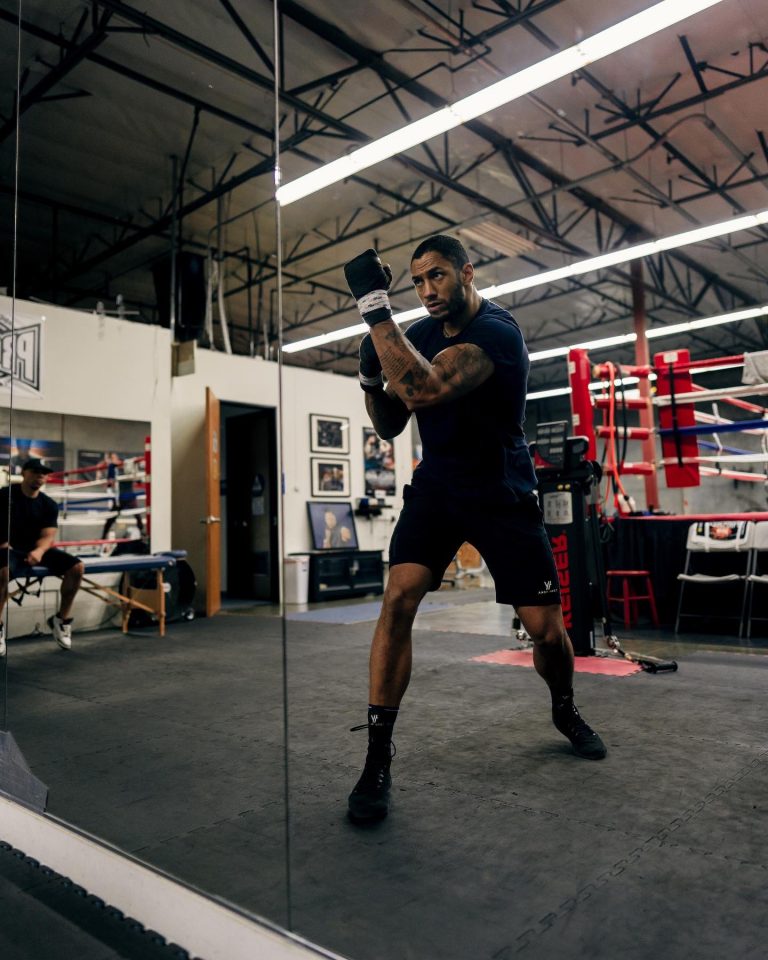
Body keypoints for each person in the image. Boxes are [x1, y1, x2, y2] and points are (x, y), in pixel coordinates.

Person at [343, 236, 607, 823]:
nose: (428, 291)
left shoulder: (498, 333)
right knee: (398, 597)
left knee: (545, 630)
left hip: (501, 490)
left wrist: (373, 307)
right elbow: (391, 422)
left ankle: (563, 706)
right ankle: (377, 755)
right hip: (438, 487)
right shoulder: (422, 336)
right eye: (417, 282)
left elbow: (427, 389)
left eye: (437, 276)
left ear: (466, 272)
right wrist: (367, 380)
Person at [0, 458, 84, 655]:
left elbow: (48, 536)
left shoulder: (48, 504)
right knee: (2, 570)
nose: (40, 477)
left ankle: (61, 620)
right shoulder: (4, 496)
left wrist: (39, 551)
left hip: (35, 549)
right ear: (24, 473)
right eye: (35, 472)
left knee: (77, 568)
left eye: (44, 474)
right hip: (7, 547)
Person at [101, 452, 144, 540]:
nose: (113, 460)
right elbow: (110, 482)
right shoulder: (113, 468)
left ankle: (143, 535)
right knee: (111, 519)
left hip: (129, 495)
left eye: (113, 458)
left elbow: (137, 480)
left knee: (138, 517)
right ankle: (103, 538)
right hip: (119, 497)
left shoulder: (127, 464)